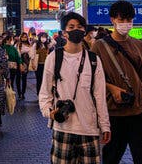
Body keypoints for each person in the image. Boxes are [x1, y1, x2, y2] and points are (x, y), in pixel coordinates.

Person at [39, 12, 111, 163]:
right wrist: (49, 112)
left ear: (84, 31)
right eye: (71, 27)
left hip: (89, 129)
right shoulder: (54, 57)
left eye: (79, 27)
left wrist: (105, 125)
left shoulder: (93, 60)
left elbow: (100, 95)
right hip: (63, 128)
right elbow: (45, 92)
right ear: (64, 33)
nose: (76, 30)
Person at [91, 1, 142, 164]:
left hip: (139, 114)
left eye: (129, 20)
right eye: (122, 19)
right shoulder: (99, 47)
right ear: (112, 20)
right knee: (111, 157)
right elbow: (91, 78)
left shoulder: (139, 45)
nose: (126, 24)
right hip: (114, 113)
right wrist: (111, 88)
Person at [16, 32, 32, 100]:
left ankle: (23, 93)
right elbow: (18, 54)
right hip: (20, 62)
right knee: (18, 78)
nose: (24, 38)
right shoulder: (18, 44)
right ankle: (19, 93)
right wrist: (20, 64)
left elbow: (31, 54)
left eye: (25, 37)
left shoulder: (29, 44)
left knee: (24, 79)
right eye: (23, 37)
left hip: (27, 63)